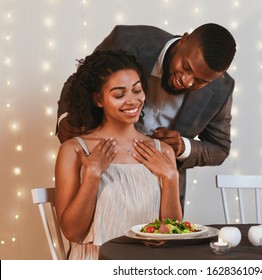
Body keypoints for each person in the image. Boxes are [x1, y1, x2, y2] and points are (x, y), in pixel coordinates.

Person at [57, 23, 237, 211]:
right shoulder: (128, 40)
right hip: (101, 183)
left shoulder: (221, 89)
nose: (186, 81)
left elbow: (220, 148)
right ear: (183, 40)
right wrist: (66, 116)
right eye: (186, 67)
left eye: (200, 81)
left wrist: (183, 147)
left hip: (162, 195)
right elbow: (83, 79)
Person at [55, 50, 182, 260]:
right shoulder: (74, 150)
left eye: (137, 90)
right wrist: (92, 175)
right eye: (119, 94)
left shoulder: (163, 152)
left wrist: (171, 177)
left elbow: (171, 236)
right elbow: (72, 233)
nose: (132, 101)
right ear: (99, 100)